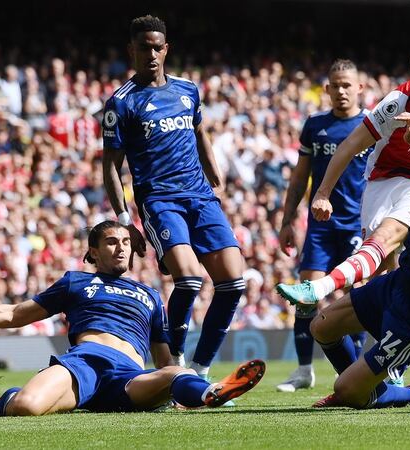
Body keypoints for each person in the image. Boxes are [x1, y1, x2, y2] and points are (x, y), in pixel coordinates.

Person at [0, 221, 264, 416]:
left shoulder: (150, 295)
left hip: (128, 378)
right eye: (111, 242)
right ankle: (4, 400)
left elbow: (162, 361)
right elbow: (15, 314)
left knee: (177, 371)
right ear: (93, 252)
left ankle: (210, 393)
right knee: (27, 407)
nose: (121, 248)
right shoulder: (75, 281)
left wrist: (175, 395)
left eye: (126, 243)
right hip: (83, 365)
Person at [281, 113, 410, 409]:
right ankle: (361, 387)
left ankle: (408, 392)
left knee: (347, 391)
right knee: (321, 326)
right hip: (397, 283)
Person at [277, 46, 410, 340]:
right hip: (384, 178)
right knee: (379, 276)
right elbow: (350, 145)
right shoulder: (401, 100)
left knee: (383, 239)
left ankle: (319, 288)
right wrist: (322, 193)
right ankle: (376, 367)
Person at [102, 15, 246, 381]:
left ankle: (201, 370)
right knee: (190, 279)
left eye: (157, 47)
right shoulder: (120, 103)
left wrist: (214, 172)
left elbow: (200, 132)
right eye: (143, 48)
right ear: (131, 51)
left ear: (166, 49)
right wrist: (124, 222)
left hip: (200, 196)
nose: (151, 54)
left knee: (233, 282)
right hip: (160, 200)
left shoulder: (187, 90)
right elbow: (110, 168)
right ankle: (174, 359)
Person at [275, 59, 370, 392]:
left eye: (348, 84)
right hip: (321, 226)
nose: (341, 91)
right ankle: (303, 370)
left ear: (360, 88)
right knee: (306, 296)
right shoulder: (315, 125)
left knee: (359, 299)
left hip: (358, 225)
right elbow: (300, 177)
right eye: (335, 85)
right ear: (326, 89)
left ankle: (357, 368)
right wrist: (288, 220)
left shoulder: (372, 125)